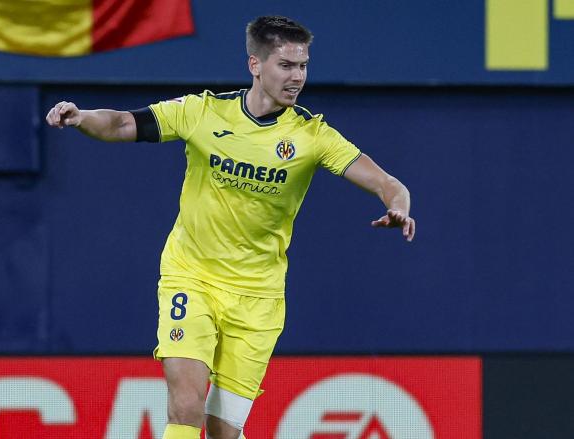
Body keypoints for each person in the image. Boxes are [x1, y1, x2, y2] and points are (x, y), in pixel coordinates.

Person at [46, 15, 415, 439]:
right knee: (186, 405)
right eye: (286, 66)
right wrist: (81, 117)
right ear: (255, 65)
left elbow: (387, 183)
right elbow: (122, 123)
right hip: (192, 275)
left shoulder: (313, 136)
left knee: (222, 430)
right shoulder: (202, 112)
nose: (297, 78)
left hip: (258, 297)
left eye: (303, 66)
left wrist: (399, 207)